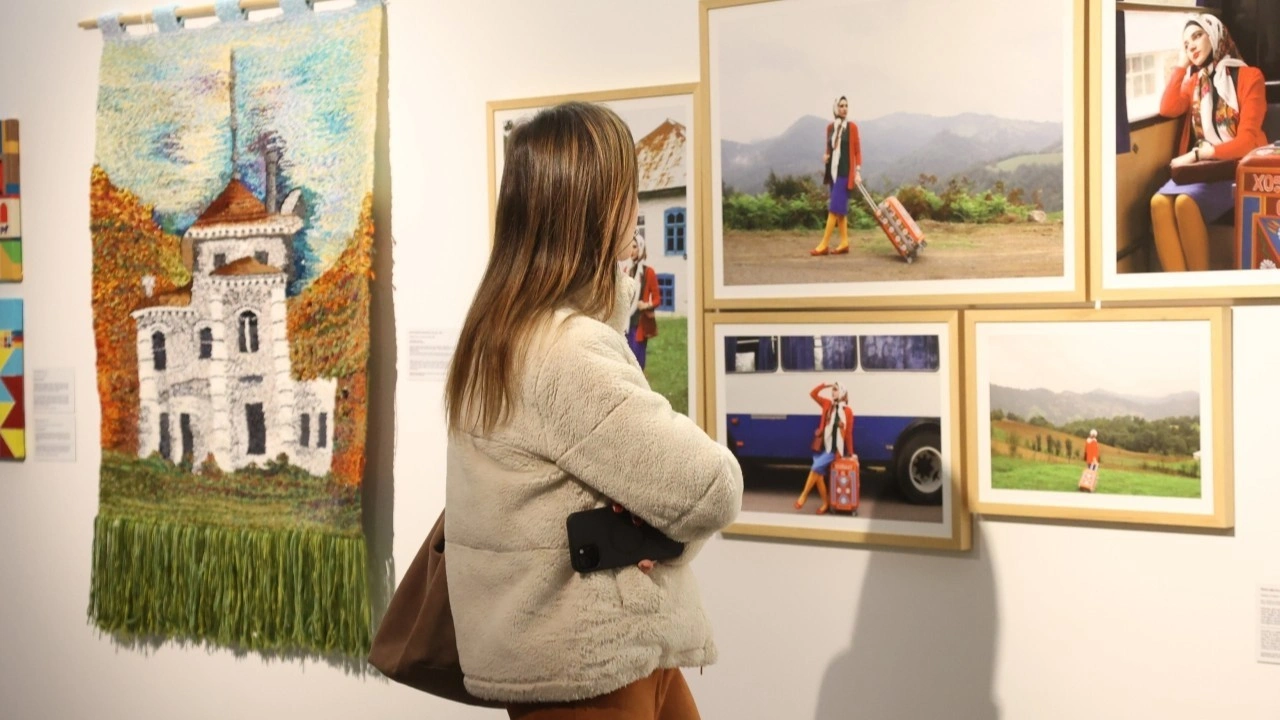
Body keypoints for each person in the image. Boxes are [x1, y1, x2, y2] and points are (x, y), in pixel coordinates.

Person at [443, 101, 743, 719]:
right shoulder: (565, 349)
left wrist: (648, 524)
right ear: (593, 208)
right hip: (593, 665)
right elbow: (713, 487)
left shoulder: (501, 334)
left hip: (588, 656)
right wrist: (662, 531)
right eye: (626, 191)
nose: (635, 209)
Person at [1150, 13, 1269, 272]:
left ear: (1215, 36)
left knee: (1184, 203)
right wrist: (1181, 65)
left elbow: (1247, 142)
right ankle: (1180, 289)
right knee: (1158, 203)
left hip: (1237, 168)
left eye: (1197, 36)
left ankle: (1200, 285)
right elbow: (1167, 107)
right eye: (1186, 44)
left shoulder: (1251, 77)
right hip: (1204, 171)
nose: (1191, 46)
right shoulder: (1196, 82)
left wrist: (1197, 155)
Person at [811, 96, 863, 257]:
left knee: (834, 209)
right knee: (840, 210)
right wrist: (826, 157)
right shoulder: (830, 128)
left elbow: (857, 151)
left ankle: (824, 245)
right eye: (841, 106)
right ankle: (844, 243)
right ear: (836, 108)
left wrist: (858, 171)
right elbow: (829, 148)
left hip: (845, 174)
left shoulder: (852, 127)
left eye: (846, 105)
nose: (844, 108)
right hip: (833, 173)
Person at [795, 382, 854, 514]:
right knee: (819, 476)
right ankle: (826, 503)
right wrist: (825, 385)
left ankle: (804, 495)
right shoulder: (827, 404)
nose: (833, 392)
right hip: (822, 446)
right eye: (832, 390)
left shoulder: (848, 412)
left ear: (843, 393)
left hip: (834, 450)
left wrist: (851, 453)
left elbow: (849, 434)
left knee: (815, 468)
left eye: (836, 390)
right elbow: (813, 394)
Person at [622, 234, 661, 370]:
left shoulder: (648, 272)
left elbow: (657, 299)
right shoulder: (626, 271)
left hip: (639, 323)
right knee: (625, 362)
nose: (631, 251)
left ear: (641, 248)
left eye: (634, 247)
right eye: (629, 247)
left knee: (637, 363)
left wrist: (646, 305)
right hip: (625, 323)